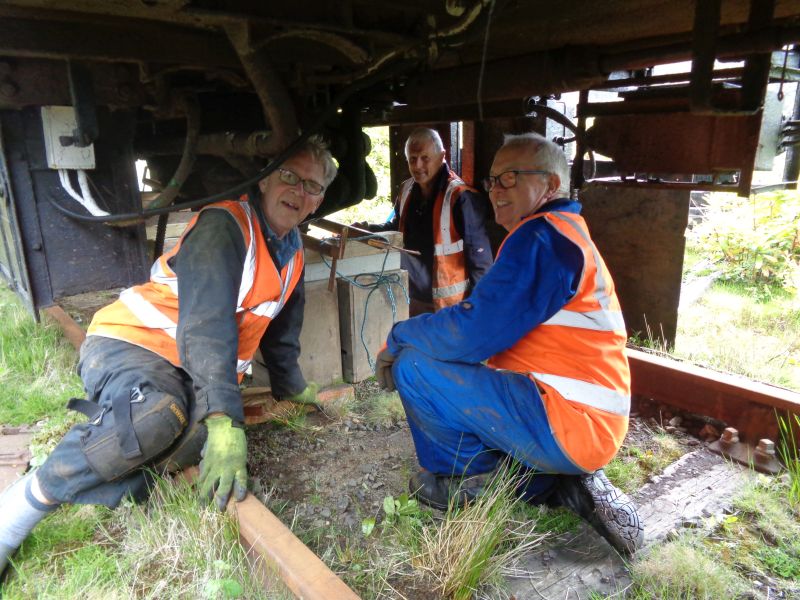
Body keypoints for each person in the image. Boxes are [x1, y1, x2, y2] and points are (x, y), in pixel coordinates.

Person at [0, 136, 337, 575]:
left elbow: (281, 336)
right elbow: (207, 326)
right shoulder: (226, 227)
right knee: (160, 416)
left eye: (311, 186)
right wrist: (225, 420)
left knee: (192, 440)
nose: (297, 192)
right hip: (132, 342)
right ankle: (17, 512)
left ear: (319, 200)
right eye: (289, 177)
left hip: (186, 365)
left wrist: (294, 391)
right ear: (266, 178)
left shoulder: (292, 252)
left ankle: (110, 477)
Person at [374, 132, 644, 555]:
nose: (496, 190)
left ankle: (469, 481)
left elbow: (472, 334)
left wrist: (398, 335)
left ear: (551, 186)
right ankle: (541, 480)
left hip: (571, 420)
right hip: (578, 418)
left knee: (414, 367)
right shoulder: (560, 232)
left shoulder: (542, 239)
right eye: (494, 180)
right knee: (446, 363)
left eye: (511, 178)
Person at [355, 127, 493, 315]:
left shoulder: (460, 198)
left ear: (441, 155)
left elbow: (480, 259)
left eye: (425, 158)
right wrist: (367, 230)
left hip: (447, 301)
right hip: (411, 292)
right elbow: (395, 228)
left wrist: (480, 309)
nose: (418, 165)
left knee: (393, 256)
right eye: (413, 159)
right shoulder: (407, 189)